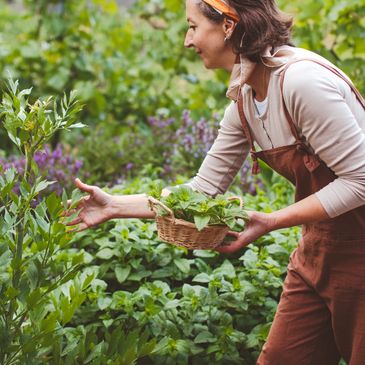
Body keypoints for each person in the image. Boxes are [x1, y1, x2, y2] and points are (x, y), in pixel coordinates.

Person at [67, 0, 365, 363]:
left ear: (228, 25)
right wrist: (115, 205)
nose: (186, 41)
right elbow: (201, 191)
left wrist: (272, 221)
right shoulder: (245, 98)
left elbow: (360, 179)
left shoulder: (302, 82)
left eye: (192, 26)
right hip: (317, 252)